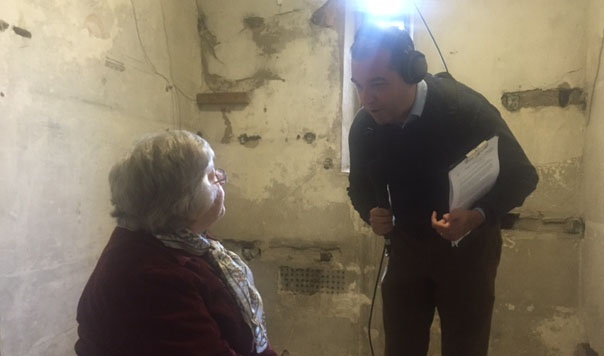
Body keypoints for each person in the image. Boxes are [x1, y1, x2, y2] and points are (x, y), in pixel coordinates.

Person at [347, 25, 539, 356]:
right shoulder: (365, 125)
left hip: (469, 252)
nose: (367, 99)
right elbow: (359, 188)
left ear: (412, 72)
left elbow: (523, 176)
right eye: (359, 86)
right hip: (406, 250)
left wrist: (479, 215)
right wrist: (370, 213)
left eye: (378, 84)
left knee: (465, 348)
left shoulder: (463, 109)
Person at [75, 130, 278, 356]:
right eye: (212, 177)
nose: (222, 181)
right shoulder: (150, 277)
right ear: (184, 199)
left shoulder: (181, 239)